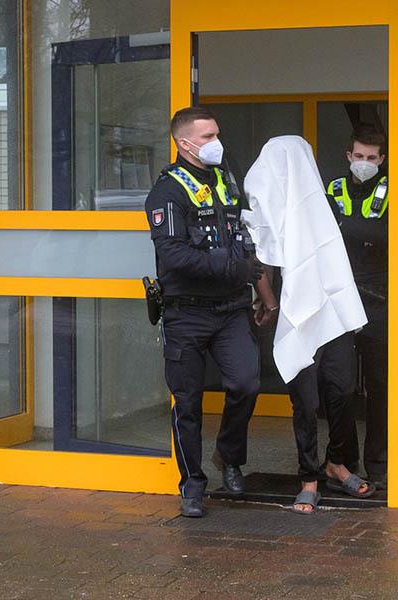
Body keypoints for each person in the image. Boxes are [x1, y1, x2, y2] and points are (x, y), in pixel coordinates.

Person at [243, 136, 374, 515]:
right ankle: (308, 477)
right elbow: (259, 260)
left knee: (342, 387)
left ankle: (337, 462)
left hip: (329, 313)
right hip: (290, 311)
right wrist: (269, 300)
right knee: (305, 399)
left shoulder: (318, 202)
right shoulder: (261, 206)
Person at [144, 106, 264, 518]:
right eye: (208, 136)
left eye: (217, 134)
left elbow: (243, 234)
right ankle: (192, 484)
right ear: (185, 143)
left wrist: (259, 282)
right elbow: (174, 256)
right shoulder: (167, 192)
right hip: (187, 314)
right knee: (188, 403)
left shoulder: (226, 180)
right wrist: (232, 267)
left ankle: (228, 455)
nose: (216, 142)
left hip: (231, 308)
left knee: (246, 383)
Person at [325, 126, 389, 489]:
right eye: (359, 156)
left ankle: (377, 464)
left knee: (380, 385)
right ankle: (343, 460)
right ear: (348, 156)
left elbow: (389, 235)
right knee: (341, 385)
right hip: (339, 298)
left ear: (382, 160)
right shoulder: (332, 189)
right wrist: (366, 229)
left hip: (380, 298)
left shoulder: (394, 190)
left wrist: (344, 226)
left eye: (372, 158)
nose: (364, 163)